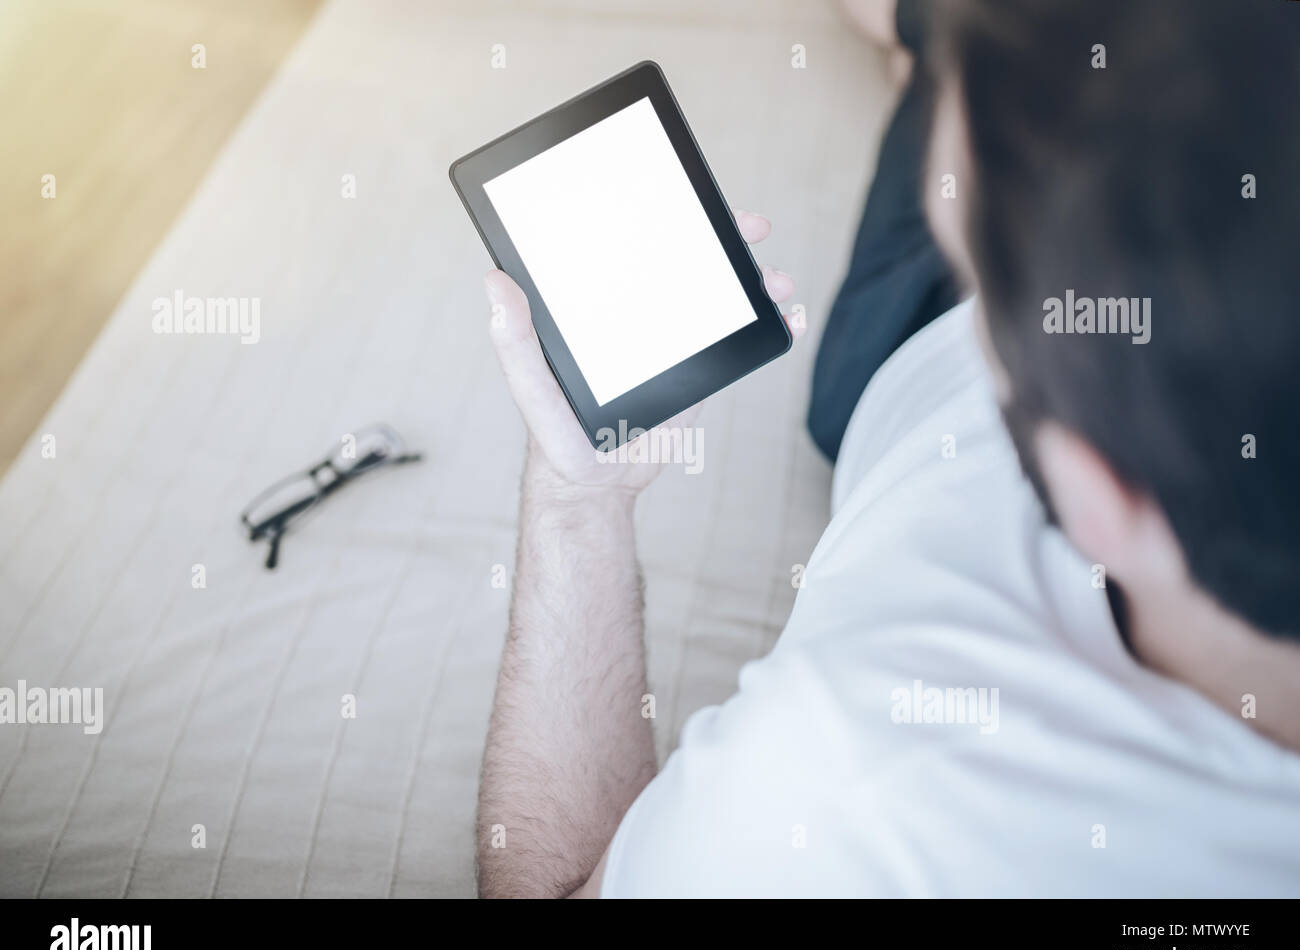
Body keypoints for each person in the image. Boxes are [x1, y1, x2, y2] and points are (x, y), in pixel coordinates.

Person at [474, 0, 1300, 897]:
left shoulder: (845, 786)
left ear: (1101, 500)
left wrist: (577, 502)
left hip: (891, 354)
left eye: (984, 290)